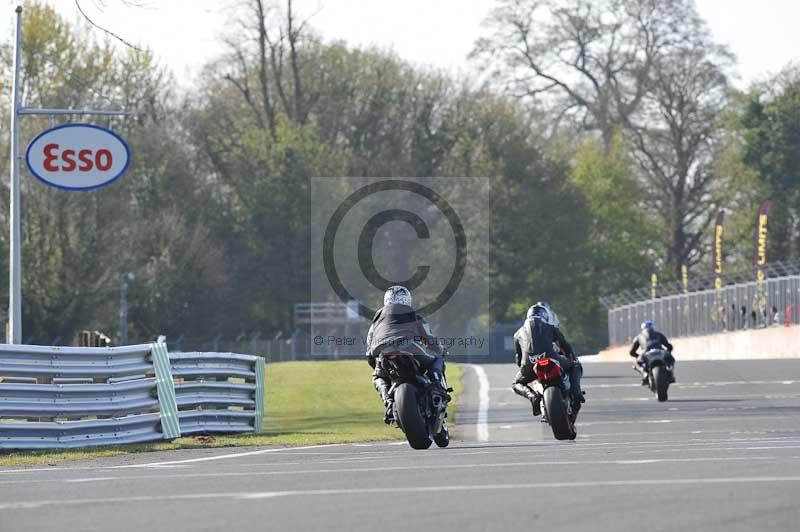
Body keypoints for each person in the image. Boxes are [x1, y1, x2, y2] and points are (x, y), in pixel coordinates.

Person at [365, 286, 448, 422]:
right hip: (410, 348)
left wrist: (377, 368)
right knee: (437, 359)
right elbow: (430, 338)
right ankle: (437, 389)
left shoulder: (376, 320)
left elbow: (369, 351)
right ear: (407, 300)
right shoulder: (414, 315)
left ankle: (388, 401)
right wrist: (441, 350)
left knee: (377, 377)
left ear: (386, 300)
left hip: (383, 352)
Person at [511, 302, 584, 417]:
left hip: (529, 364)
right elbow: (565, 346)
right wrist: (571, 358)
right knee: (575, 365)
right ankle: (576, 391)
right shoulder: (550, 327)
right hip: (551, 358)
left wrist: (525, 369)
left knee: (516, 383)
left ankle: (533, 396)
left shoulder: (517, 334)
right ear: (545, 316)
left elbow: (519, 359)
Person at [629, 320, 675, 385]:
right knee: (671, 359)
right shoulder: (659, 334)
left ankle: (645, 374)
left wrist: (638, 356)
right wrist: (668, 352)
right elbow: (669, 346)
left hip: (646, 353)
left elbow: (632, 352)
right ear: (652, 327)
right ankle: (670, 373)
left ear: (642, 328)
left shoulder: (639, 336)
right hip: (660, 351)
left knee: (636, 363)